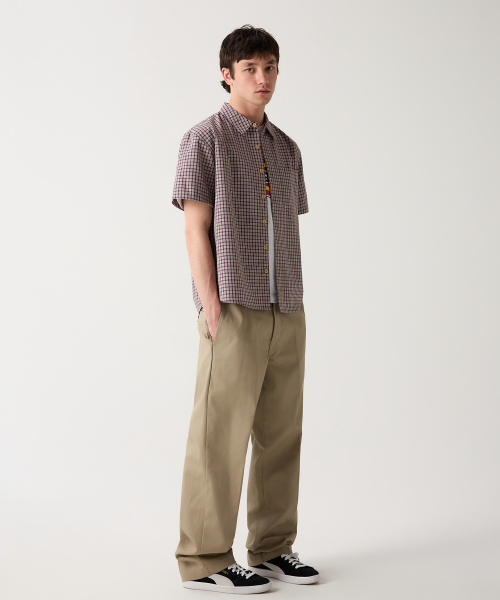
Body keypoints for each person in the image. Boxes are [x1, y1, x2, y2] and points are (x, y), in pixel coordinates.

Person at [171, 24, 319, 594]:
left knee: (282, 435)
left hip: (288, 307)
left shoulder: (287, 148)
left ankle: (273, 548)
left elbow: (284, 227)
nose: (263, 78)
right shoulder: (203, 140)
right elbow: (195, 228)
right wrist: (210, 306)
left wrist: (292, 307)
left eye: (270, 67)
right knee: (218, 438)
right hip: (231, 308)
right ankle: (204, 558)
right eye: (251, 68)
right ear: (227, 74)